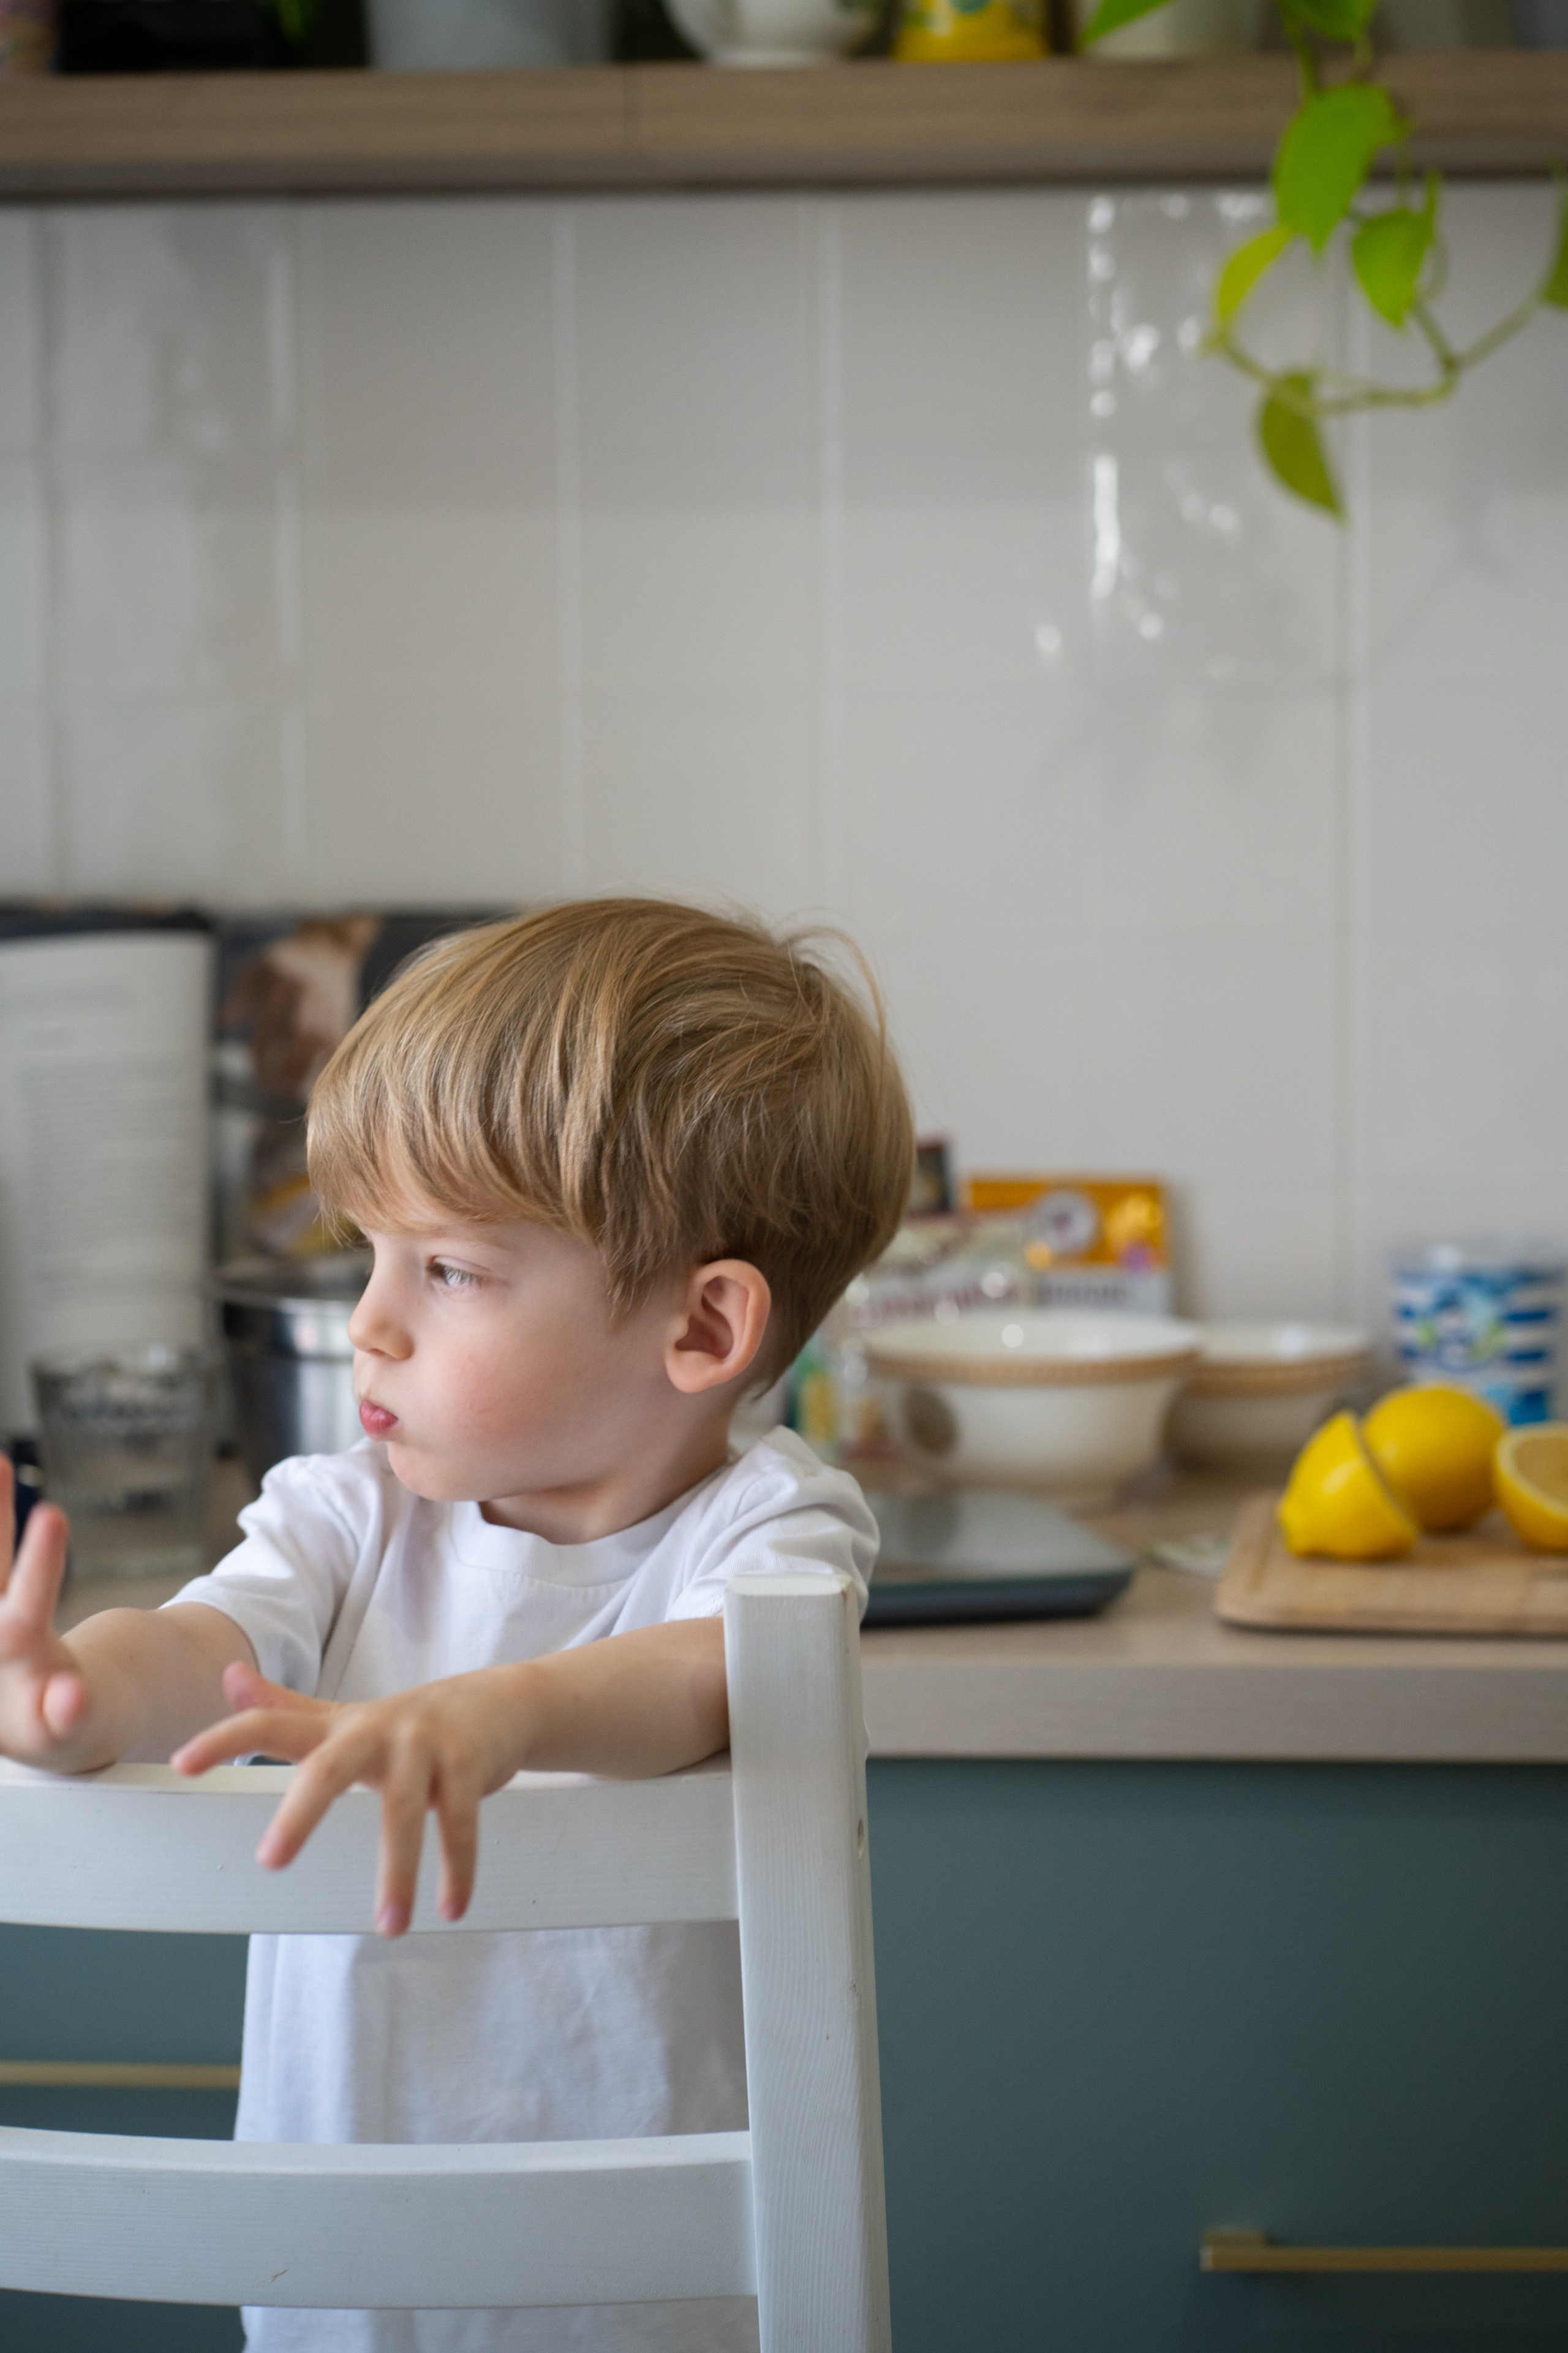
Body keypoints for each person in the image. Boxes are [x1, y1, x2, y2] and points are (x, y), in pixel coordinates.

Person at [0, 898, 914, 2353]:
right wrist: (82, 1691)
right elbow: (205, 1643)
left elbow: (706, 1677)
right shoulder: (348, 1510)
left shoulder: (769, 1531)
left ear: (701, 1329)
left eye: (447, 1269)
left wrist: (499, 1712)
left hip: (651, 2309)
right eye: (370, 1254)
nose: (370, 1320)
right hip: (341, 2297)